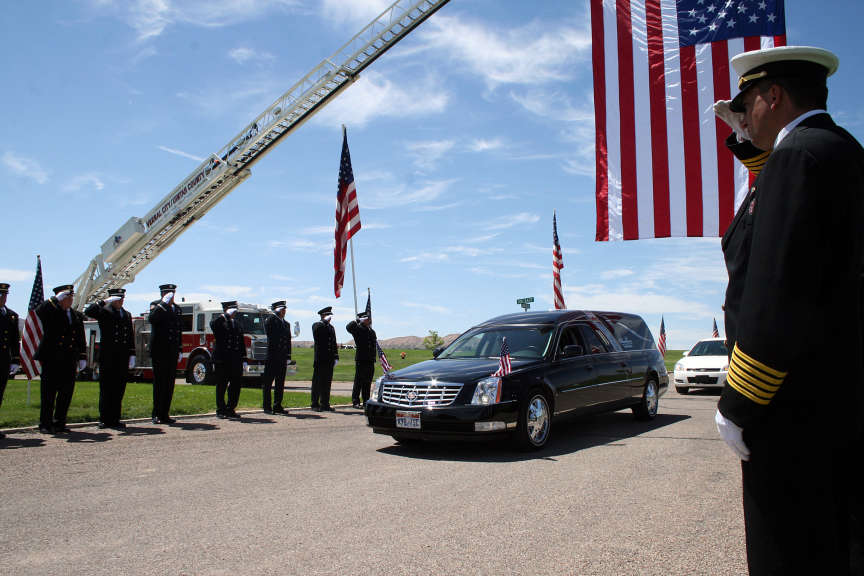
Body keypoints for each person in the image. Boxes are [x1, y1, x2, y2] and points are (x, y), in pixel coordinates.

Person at [715, 45, 864, 574]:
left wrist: (739, 403)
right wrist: (752, 142)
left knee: (792, 552)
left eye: (748, 102)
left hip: (793, 410)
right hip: (837, 402)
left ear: (772, 95)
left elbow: (777, 289)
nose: (744, 113)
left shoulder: (797, 160)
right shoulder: (835, 150)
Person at [34, 284, 86, 434]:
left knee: (65, 393)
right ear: (60, 298)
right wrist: (53, 300)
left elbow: (80, 337)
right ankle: (45, 423)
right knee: (48, 393)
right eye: (67, 297)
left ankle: (59, 422)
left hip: (69, 358)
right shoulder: (52, 311)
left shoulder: (75, 315)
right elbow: (39, 311)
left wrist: (82, 355)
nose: (70, 300)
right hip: (52, 358)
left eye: (71, 297)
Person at [85, 288, 135, 430]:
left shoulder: (126, 314)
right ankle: (104, 419)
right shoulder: (104, 311)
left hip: (122, 357)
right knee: (106, 389)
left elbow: (129, 335)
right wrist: (103, 302)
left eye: (122, 299)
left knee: (119, 389)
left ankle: (115, 418)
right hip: (108, 357)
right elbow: (88, 312)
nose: (120, 301)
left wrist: (132, 354)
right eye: (117, 299)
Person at [148, 283, 182, 424]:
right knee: (160, 383)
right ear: (163, 294)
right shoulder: (156, 305)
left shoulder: (177, 309)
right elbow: (152, 319)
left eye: (172, 294)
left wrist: (179, 348)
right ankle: (156, 414)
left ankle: (165, 413)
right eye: (168, 294)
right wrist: (163, 303)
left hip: (172, 351)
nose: (171, 297)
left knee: (169, 384)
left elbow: (178, 331)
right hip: (160, 351)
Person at [211, 300, 244, 419]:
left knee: (235, 385)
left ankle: (231, 408)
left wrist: (243, 358)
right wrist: (225, 315)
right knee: (222, 385)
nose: (234, 313)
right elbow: (213, 325)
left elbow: (241, 343)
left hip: (235, 360)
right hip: (222, 360)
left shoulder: (237, 324)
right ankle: (221, 409)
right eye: (232, 310)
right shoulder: (220, 322)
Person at [262, 300, 293, 414]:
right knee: (268, 383)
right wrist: (273, 314)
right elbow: (269, 331)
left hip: (282, 357)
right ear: (276, 309)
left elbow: (288, 341)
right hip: (272, 356)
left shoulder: (286, 324)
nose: (283, 311)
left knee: (280, 383)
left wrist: (288, 355)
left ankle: (277, 405)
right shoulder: (271, 320)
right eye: (281, 309)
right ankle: (267, 406)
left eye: (284, 309)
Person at [0, 283, 21, 439]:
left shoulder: (11, 315)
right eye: (1, 294)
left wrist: (15, 359)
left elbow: (14, 339)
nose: (3, 297)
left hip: (3, 360)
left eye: (5, 294)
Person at [346, 311, 376, 409]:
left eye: (369, 319)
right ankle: (355, 401)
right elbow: (348, 327)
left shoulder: (371, 331)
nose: (369, 320)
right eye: (367, 319)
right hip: (361, 359)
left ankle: (366, 401)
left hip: (370, 360)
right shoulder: (358, 329)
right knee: (358, 381)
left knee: (367, 382)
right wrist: (357, 320)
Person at [311, 306, 338, 412]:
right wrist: (324, 323)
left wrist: (336, 356)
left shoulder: (331, 328)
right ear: (322, 316)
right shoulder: (317, 325)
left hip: (329, 359)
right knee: (317, 382)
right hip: (320, 359)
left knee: (327, 382)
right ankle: (314, 404)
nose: (329, 318)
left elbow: (333, 343)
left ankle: (325, 403)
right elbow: (317, 334)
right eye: (327, 315)